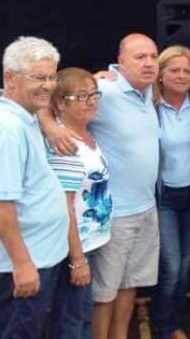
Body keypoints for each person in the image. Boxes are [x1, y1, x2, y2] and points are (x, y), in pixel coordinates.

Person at [43, 33, 161, 339]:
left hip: (147, 207)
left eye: (153, 56)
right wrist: (51, 127)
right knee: (103, 294)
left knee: (129, 284)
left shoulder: (150, 92)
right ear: (120, 62)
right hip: (114, 215)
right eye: (139, 57)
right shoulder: (103, 89)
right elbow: (48, 97)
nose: (149, 63)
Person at [0, 36, 69, 338]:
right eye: (39, 77)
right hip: (26, 266)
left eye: (52, 77)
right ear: (9, 78)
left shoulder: (18, 114)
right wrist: (23, 265)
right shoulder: (7, 129)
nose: (48, 85)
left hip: (38, 257)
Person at [47, 68, 113, 339]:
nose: (92, 101)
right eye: (82, 96)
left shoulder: (86, 135)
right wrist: (77, 260)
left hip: (92, 244)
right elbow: (65, 206)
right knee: (72, 323)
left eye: (94, 94)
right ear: (61, 102)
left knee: (82, 314)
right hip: (76, 249)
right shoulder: (65, 144)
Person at [152, 46, 190, 339]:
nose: (181, 76)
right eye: (174, 70)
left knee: (184, 267)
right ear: (160, 74)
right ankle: (162, 327)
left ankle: (174, 322)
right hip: (165, 199)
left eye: (187, 70)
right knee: (171, 267)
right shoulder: (149, 107)